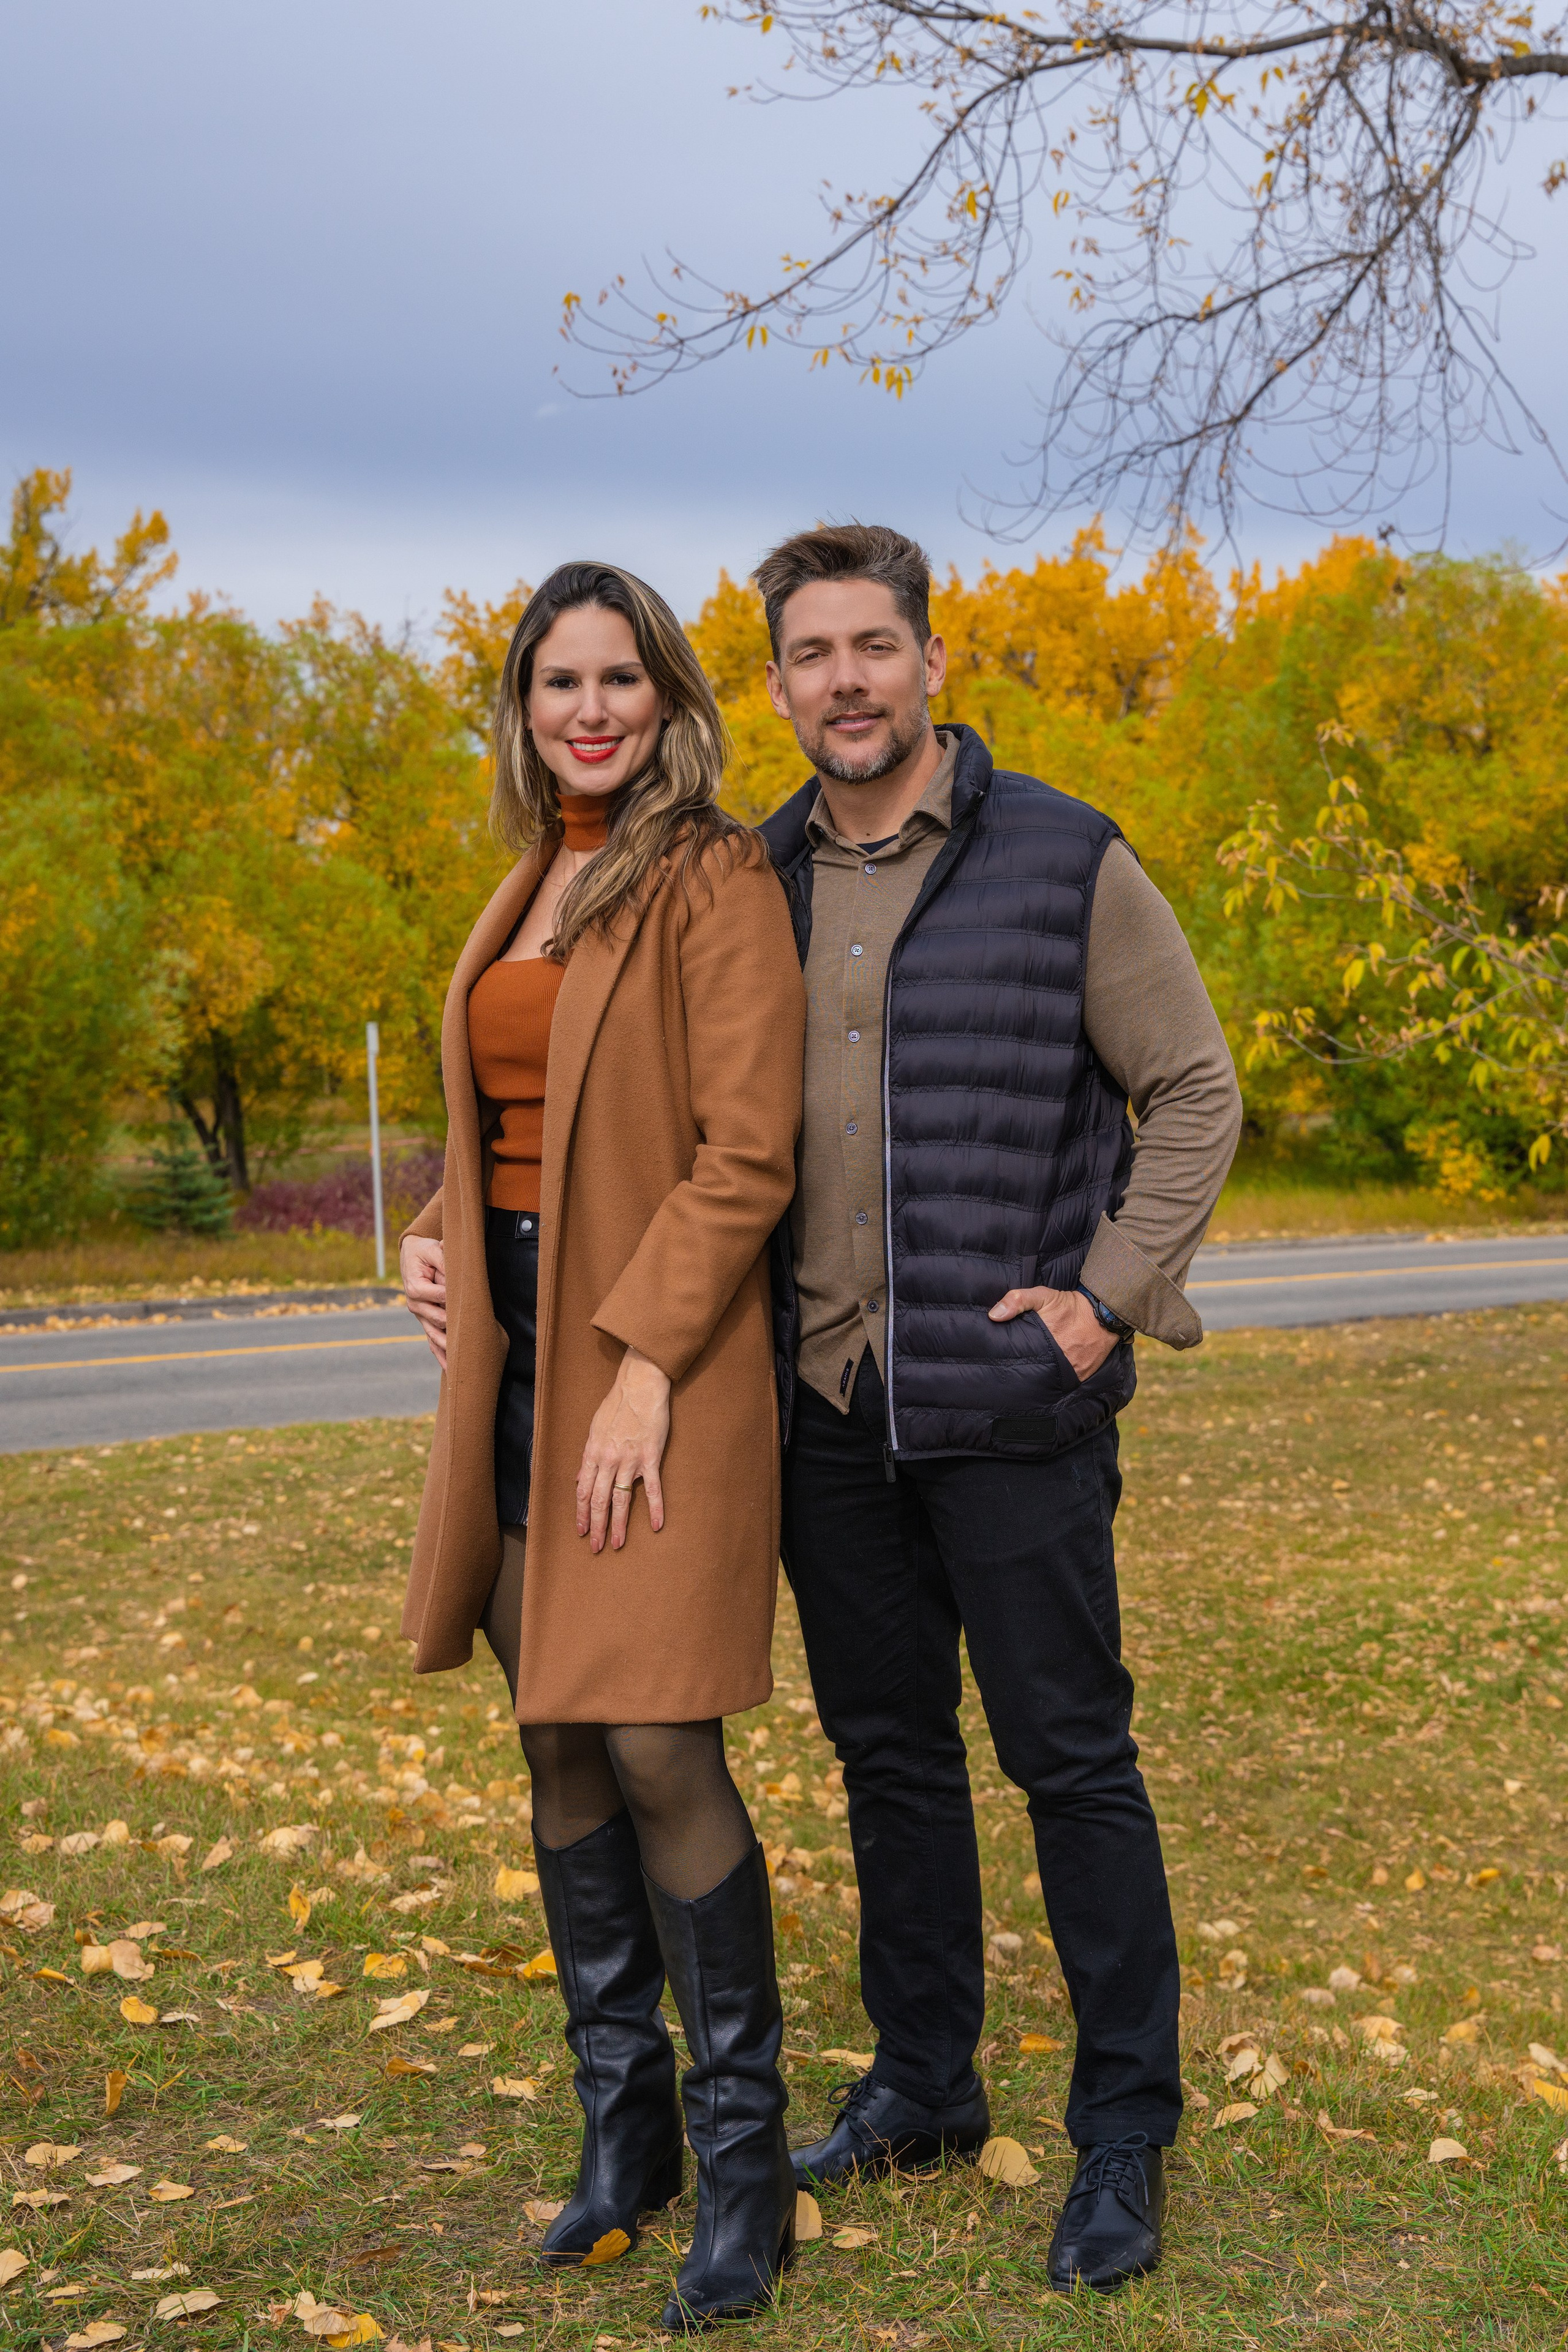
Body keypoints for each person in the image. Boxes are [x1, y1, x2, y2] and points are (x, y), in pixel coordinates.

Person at [755, 523, 1243, 2296]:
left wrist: (1105, 1299)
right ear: (780, 684)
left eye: (875, 645)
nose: (848, 681)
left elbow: (1196, 1089)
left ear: (932, 662)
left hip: (1015, 1407)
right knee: (888, 1758)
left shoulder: (1063, 856)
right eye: (814, 653)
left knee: (1071, 1761)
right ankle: (926, 2083)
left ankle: (1124, 2128)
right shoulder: (755, 878)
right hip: (827, 1404)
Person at [398, 561, 805, 2332]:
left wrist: (645, 1365)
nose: (589, 710)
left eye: (618, 679)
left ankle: (748, 2167)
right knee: (557, 1729)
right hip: (512, 1355)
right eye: (558, 682)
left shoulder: (711, 874)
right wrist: (433, 1228)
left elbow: (745, 1149)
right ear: (524, 705)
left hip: (653, 1360)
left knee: (652, 1738)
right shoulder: (528, 877)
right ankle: (625, 2134)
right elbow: (518, 1116)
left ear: (667, 699)